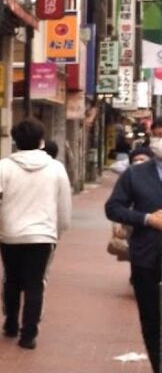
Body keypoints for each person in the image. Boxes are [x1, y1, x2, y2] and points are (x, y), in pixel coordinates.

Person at [0, 118, 72, 350]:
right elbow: (64, 204)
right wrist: (60, 229)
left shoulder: (4, 166)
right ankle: (28, 335)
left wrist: (6, 203)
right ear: (41, 141)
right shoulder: (56, 168)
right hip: (43, 235)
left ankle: (10, 323)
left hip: (10, 233)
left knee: (12, 279)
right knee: (35, 283)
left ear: (15, 141)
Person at [105, 117, 162, 373]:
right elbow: (113, 207)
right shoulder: (135, 174)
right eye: (159, 135)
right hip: (146, 258)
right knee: (151, 319)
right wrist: (146, 219)